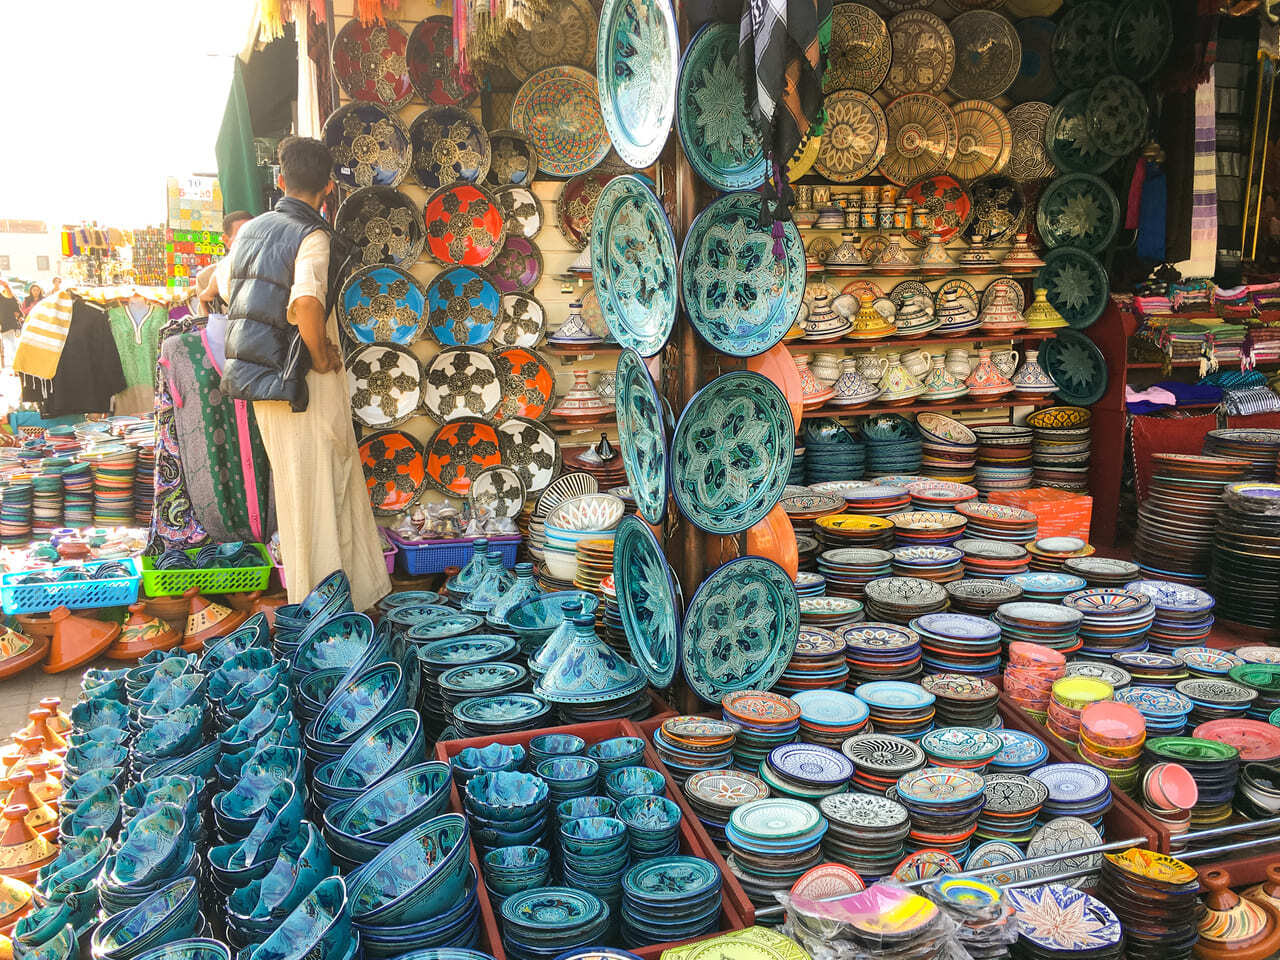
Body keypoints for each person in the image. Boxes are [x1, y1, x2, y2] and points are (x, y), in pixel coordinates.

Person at [215, 136, 389, 612]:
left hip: (264, 383)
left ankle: (330, 602)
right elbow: (307, 302)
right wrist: (319, 354)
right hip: (302, 384)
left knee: (299, 494)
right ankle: (323, 611)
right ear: (329, 188)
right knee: (318, 492)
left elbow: (214, 284)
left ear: (279, 180)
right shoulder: (311, 234)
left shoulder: (251, 230)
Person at [194, 210, 253, 311]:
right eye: (243, 237)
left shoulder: (268, 269)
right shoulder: (206, 277)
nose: (250, 243)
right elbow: (205, 323)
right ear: (226, 240)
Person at [0, 282, 19, 367]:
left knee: (10, 346)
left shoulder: (6, 292)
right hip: (6, 323)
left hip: (7, 324)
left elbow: (16, 308)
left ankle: (14, 366)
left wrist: (5, 286)